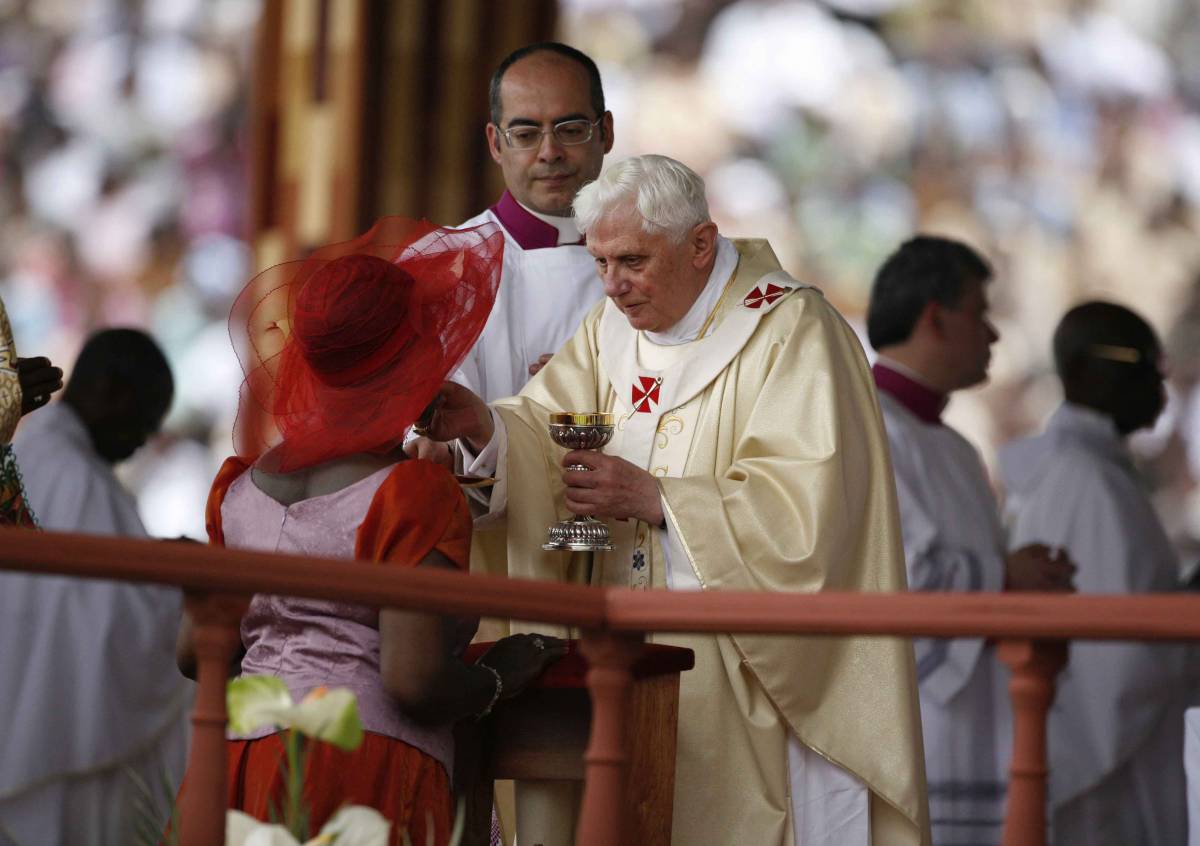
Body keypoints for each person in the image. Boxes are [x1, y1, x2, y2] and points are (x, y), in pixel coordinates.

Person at [424, 155, 929, 845]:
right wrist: (483, 426)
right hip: (618, 660)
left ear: (701, 244)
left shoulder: (793, 331)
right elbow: (545, 431)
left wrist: (661, 500)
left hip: (743, 669)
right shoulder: (610, 331)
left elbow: (811, 518)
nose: (613, 287)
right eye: (599, 264)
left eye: (631, 261)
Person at [177, 218, 566, 846]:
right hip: (356, 765)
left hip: (238, 765)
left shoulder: (237, 488)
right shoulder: (410, 493)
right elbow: (413, 683)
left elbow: (195, 654)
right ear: (410, 362)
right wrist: (498, 675)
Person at [866, 235, 1076, 846]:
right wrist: (1004, 573)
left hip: (974, 710)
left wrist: (1014, 570)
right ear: (935, 317)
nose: (993, 335)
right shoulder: (868, 423)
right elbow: (890, 573)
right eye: (980, 314)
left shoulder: (952, 446)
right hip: (918, 718)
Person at [999, 302, 1191, 845]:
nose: (1157, 380)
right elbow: (1121, 661)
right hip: (1102, 781)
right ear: (1083, 371)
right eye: (1142, 362)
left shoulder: (1088, 473)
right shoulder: (1090, 484)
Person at [0, 328, 189, 846]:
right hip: (53, 740)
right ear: (114, 392)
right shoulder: (73, 474)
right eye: (147, 420)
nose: (142, 441)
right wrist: (184, 582)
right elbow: (114, 624)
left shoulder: (38, 451)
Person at [453, 41, 613, 401]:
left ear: (606, 132)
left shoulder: (664, 258)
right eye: (525, 135)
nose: (549, 152)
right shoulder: (448, 265)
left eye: (571, 130)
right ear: (496, 144)